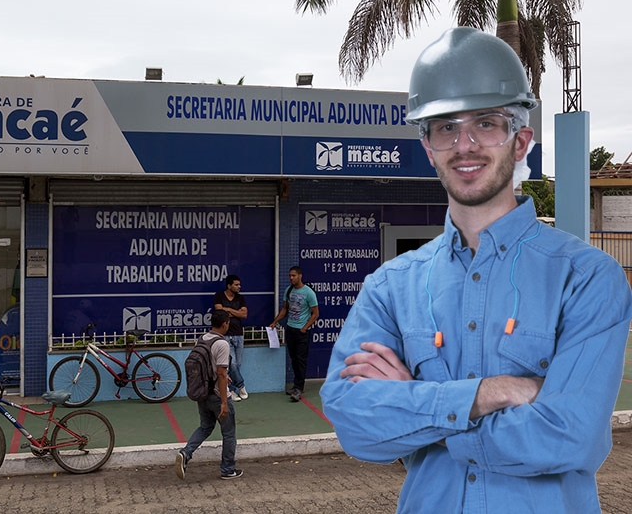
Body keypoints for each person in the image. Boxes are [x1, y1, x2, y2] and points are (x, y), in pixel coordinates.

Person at [321, 26, 632, 514]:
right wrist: (492, 392)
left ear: (520, 140)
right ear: (428, 147)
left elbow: (570, 437)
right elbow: (354, 423)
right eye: (445, 126)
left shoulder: (587, 278)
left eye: (486, 123)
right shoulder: (390, 287)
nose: (464, 145)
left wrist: (419, 407)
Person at [175, 309, 244, 480]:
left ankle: (186, 453)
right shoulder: (222, 344)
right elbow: (220, 373)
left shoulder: (203, 338)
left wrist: (223, 375)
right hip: (216, 394)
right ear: (224, 324)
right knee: (229, 433)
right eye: (228, 322)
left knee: (205, 427)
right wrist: (224, 402)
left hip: (203, 393)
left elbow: (211, 367)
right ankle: (228, 469)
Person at [270, 266, 319, 402]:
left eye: (293, 275)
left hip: (302, 332)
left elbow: (315, 314)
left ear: (300, 276)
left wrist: (305, 327)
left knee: (300, 359)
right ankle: (297, 385)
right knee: (293, 359)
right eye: (290, 276)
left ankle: (298, 388)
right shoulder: (289, 290)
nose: (291, 278)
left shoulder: (309, 293)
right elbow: (285, 309)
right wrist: (275, 322)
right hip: (290, 329)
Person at [214, 274, 248, 401]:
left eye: (239, 284)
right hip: (226, 336)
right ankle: (241, 386)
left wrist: (228, 309)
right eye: (236, 285)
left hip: (239, 334)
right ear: (229, 286)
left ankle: (232, 391)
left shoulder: (240, 298)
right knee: (231, 364)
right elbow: (220, 313)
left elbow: (244, 314)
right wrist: (235, 312)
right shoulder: (219, 296)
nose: (239, 287)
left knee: (237, 364)